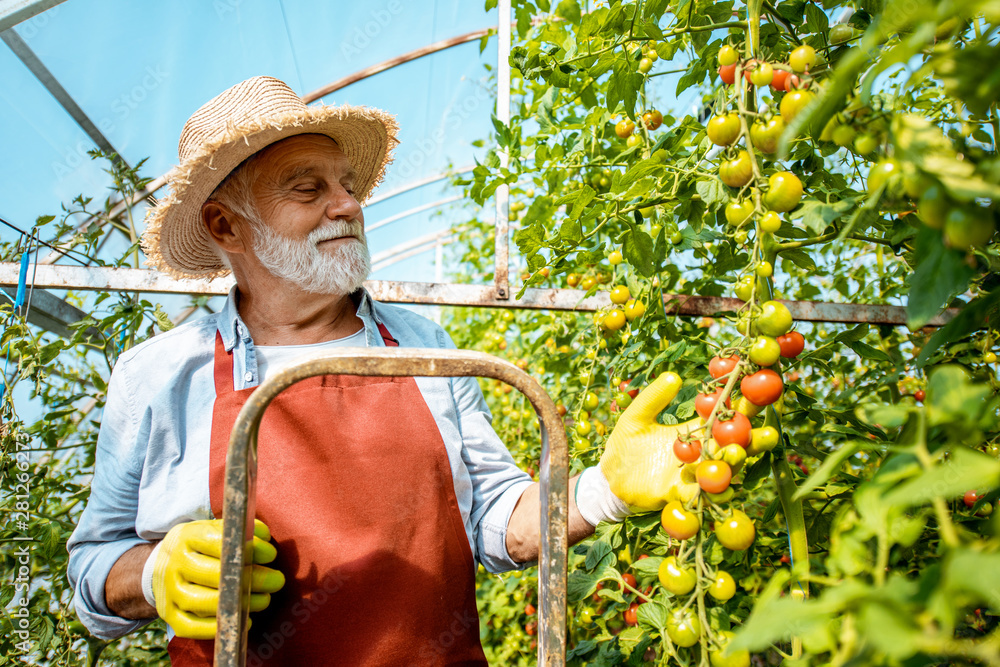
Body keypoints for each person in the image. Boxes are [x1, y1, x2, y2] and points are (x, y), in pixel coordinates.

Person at [66, 76, 693, 666]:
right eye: (307, 188)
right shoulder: (163, 375)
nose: (347, 205)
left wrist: (601, 492)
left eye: (347, 185)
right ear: (226, 225)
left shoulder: (425, 346)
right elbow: (94, 571)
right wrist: (154, 573)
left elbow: (497, 522)